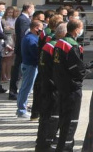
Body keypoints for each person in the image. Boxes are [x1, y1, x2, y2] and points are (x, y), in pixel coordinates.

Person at [53, 18, 88, 152]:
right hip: (71, 88)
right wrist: (85, 71)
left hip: (61, 86)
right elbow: (76, 69)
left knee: (64, 119)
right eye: (81, 28)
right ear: (76, 30)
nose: (82, 30)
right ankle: (65, 148)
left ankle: (65, 146)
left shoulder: (59, 43)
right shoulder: (71, 45)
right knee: (70, 121)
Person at [35, 23, 67, 152]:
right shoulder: (57, 46)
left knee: (45, 116)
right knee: (51, 116)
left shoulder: (48, 45)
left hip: (45, 84)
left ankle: (42, 141)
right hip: (53, 87)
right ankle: (47, 142)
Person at [16, 18, 45, 119]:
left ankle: (22, 108)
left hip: (29, 65)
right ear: (36, 28)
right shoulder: (31, 39)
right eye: (41, 28)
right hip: (30, 66)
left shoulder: (30, 37)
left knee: (26, 87)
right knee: (26, 88)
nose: (42, 31)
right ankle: (21, 110)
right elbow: (35, 53)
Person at [9, 3, 35, 99]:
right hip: (21, 49)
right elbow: (22, 36)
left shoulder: (25, 19)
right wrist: (24, 48)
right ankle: (13, 92)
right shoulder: (23, 20)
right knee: (17, 71)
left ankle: (14, 90)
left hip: (21, 48)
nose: (33, 10)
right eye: (33, 8)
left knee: (19, 71)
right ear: (28, 8)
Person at [1, 5, 18, 92]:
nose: (10, 14)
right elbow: (5, 29)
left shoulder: (15, 19)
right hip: (7, 39)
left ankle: (9, 75)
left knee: (10, 59)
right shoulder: (4, 20)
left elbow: (15, 30)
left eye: (12, 12)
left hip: (13, 39)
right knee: (5, 58)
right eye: (9, 12)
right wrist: (11, 29)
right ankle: (3, 76)